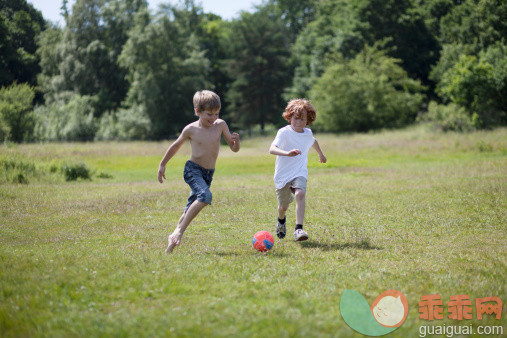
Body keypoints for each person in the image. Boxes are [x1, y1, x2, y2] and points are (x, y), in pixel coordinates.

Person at [158, 90, 240, 253]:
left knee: (189, 209)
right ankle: (179, 232)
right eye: (209, 114)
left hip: (208, 174)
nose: (213, 118)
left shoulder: (221, 125)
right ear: (198, 111)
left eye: (216, 113)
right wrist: (162, 164)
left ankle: (169, 248)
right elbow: (175, 146)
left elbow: (233, 148)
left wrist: (236, 142)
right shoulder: (191, 129)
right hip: (193, 170)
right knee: (205, 196)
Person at [269, 99, 326, 241]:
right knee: (283, 207)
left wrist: (320, 154)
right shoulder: (284, 132)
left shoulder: (307, 133)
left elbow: (313, 140)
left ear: (308, 120)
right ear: (289, 117)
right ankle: (281, 220)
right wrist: (287, 153)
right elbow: (272, 149)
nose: (299, 123)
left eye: (302, 120)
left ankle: (298, 229)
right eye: (295, 119)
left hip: (299, 172)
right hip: (283, 175)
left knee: (300, 194)